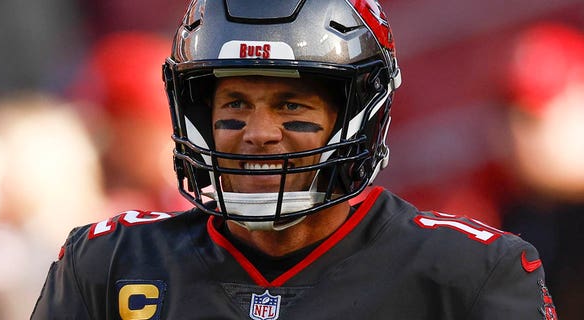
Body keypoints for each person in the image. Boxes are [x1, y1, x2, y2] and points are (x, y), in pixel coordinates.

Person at [31, 0, 558, 319]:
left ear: (356, 115)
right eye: (235, 104)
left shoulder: (470, 272)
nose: (259, 134)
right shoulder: (110, 264)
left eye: (293, 106)